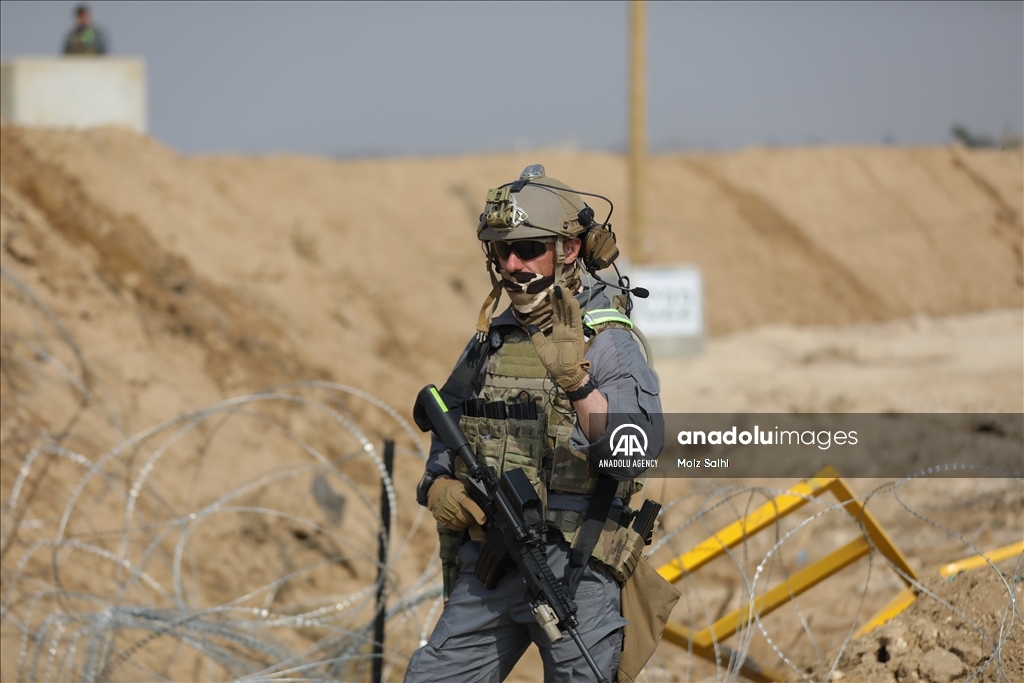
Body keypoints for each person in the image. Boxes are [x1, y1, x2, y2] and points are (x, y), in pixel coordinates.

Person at [405, 165, 666, 682]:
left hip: (576, 567)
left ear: (569, 249)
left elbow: (635, 454)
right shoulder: (491, 341)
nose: (514, 265)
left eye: (529, 249)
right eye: (503, 252)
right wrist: (437, 488)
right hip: (493, 563)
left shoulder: (606, 338)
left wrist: (576, 383)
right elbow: (449, 435)